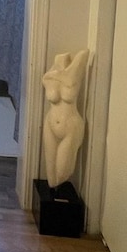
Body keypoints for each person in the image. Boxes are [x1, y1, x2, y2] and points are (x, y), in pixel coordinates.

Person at [42, 49, 90, 189]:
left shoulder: (78, 64)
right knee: (51, 178)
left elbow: (85, 55)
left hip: (71, 127)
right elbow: (46, 80)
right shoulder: (48, 77)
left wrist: (57, 75)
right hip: (50, 124)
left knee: (62, 173)